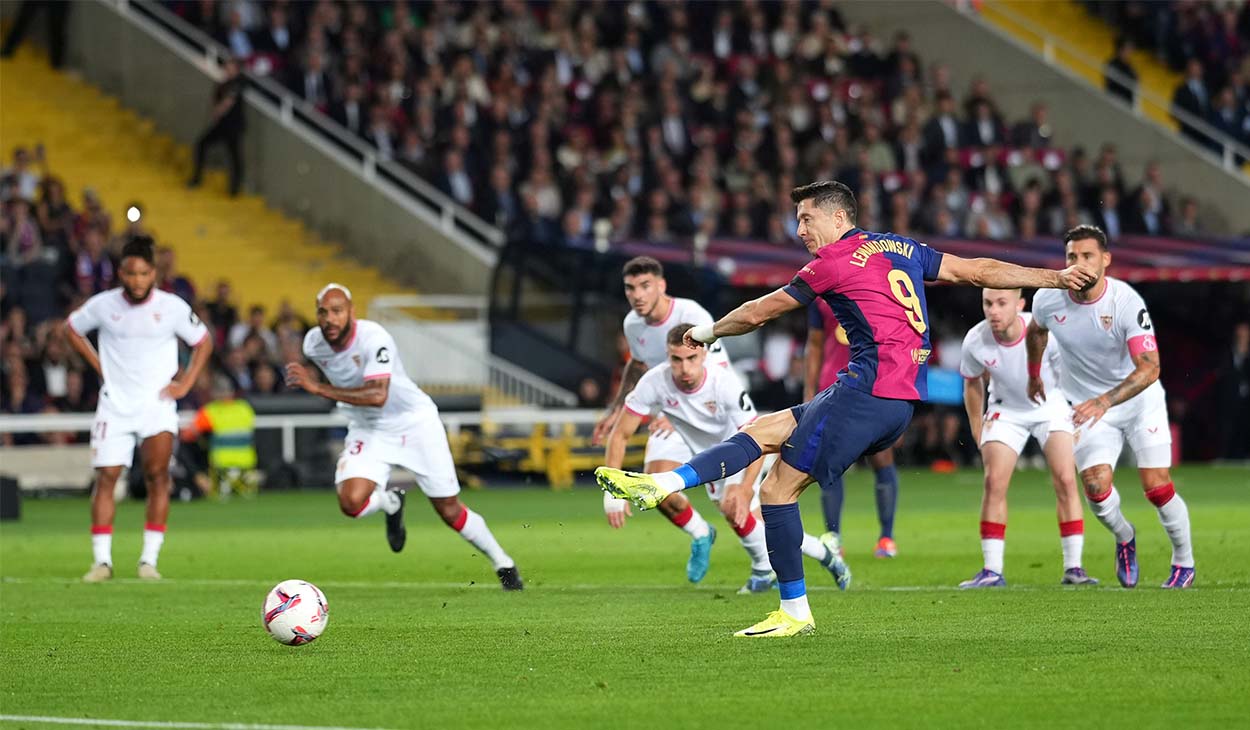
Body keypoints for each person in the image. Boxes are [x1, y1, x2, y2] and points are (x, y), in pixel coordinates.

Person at [599, 180, 1094, 637]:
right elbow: (977, 270)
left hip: (868, 393)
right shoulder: (902, 248)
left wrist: (703, 332)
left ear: (838, 219)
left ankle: (794, 611)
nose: (800, 230)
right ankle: (661, 484)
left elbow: (760, 311)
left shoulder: (831, 262)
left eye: (806, 218)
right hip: (888, 396)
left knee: (775, 491)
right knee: (766, 428)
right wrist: (1054, 276)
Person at [284, 283, 523, 590]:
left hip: (414, 423)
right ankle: (389, 502)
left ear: (352, 313)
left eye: (337, 311)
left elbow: (378, 395)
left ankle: (503, 562)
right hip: (368, 428)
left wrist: (318, 389)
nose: (329, 318)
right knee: (350, 503)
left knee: (449, 510)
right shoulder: (313, 345)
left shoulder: (374, 338)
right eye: (323, 312)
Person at [604, 323, 850, 593]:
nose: (684, 368)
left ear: (705, 355)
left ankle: (767, 569)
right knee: (754, 523)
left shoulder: (724, 384)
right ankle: (818, 552)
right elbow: (620, 435)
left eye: (691, 359)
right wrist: (611, 494)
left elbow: (757, 435)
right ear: (667, 357)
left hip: (742, 452)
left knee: (738, 509)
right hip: (706, 458)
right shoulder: (654, 382)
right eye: (676, 360)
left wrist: (744, 488)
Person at [1027, 225, 1195, 589]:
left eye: (1087, 256)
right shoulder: (1047, 298)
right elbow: (1036, 332)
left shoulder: (1125, 302)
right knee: (1096, 487)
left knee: (1156, 486)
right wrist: (1033, 374)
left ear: (1105, 260)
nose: (1079, 264)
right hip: (1087, 407)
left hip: (1137, 403)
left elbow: (1151, 367)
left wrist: (1104, 401)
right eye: (1072, 256)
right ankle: (1124, 536)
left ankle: (1183, 560)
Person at [64, 236, 214, 582]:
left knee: (158, 477)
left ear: (154, 274)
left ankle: (149, 560)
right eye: (130, 273)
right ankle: (102, 562)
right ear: (121, 272)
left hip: (156, 406)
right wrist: (99, 364)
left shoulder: (173, 307)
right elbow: (71, 329)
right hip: (114, 405)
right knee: (107, 478)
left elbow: (203, 341)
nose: (136, 281)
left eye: (143, 273)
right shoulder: (103, 305)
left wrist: (187, 383)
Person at [591, 256, 735, 583]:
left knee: (737, 507)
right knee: (655, 487)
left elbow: (719, 368)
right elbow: (637, 365)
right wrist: (615, 409)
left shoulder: (692, 315)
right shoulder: (632, 324)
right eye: (630, 288)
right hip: (669, 415)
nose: (637, 295)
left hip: (711, 412)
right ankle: (701, 533)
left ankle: (807, 554)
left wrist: (683, 408)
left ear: (661, 286)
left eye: (644, 286)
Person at [958, 288, 1098, 588]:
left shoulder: (1044, 333)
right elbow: (972, 383)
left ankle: (1074, 567)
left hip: (1050, 406)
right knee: (993, 482)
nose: (993, 311)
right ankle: (992, 570)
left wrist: (1075, 407)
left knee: (1065, 478)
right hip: (1006, 410)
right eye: (987, 303)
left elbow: (1071, 373)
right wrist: (975, 424)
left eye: (1001, 303)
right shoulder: (975, 339)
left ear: (1020, 305)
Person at [805, 299, 901, 560]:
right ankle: (834, 538)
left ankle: (886, 538)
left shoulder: (876, 288)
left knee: (881, 458)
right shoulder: (821, 294)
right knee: (830, 462)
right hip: (834, 386)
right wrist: (809, 392)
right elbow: (814, 344)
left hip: (875, 385)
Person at [183, 375, 259, 499]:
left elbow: (188, 435)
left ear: (214, 393)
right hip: (246, 470)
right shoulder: (245, 408)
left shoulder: (210, 411)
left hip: (221, 471)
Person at [188, 57, 246, 196]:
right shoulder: (223, 83)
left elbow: (228, 101)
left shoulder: (239, 82)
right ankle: (196, 178)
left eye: (231, 66)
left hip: (233, 125)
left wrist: (218, 110)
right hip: (221, 125)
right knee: (202, 145)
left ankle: (234, 188)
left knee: (234, 156)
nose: (228, 68)